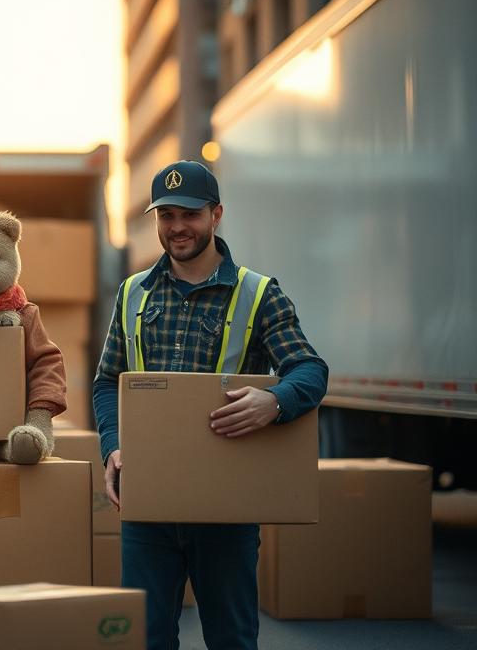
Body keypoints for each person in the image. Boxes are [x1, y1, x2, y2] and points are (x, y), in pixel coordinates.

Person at [92, 160, 327, 650]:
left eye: (191, 214)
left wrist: (275, 401)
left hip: (226, 507)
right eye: (167, 215)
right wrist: (113, 448)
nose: (178, 227)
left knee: (232, 639)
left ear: (216, 214)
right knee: (146, 639)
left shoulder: (258, 293)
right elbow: (106, 383)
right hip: (149, 504)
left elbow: (310, 369)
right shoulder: (133, 293)